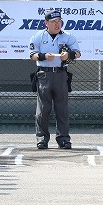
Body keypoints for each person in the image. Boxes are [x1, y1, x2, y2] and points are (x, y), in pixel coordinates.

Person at [29, 8, 81, 149]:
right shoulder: (38, 36)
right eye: (53, 22)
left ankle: (63, 139)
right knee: (43, 109)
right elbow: (32, 55)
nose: (57, 24)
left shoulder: (68, 37)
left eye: (59, 21)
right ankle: (42, 139)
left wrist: (68, 55)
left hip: (61, 74)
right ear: (46, 23)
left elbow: (77, 53)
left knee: (62, 108)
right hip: (44, 75)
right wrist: (44, 56)